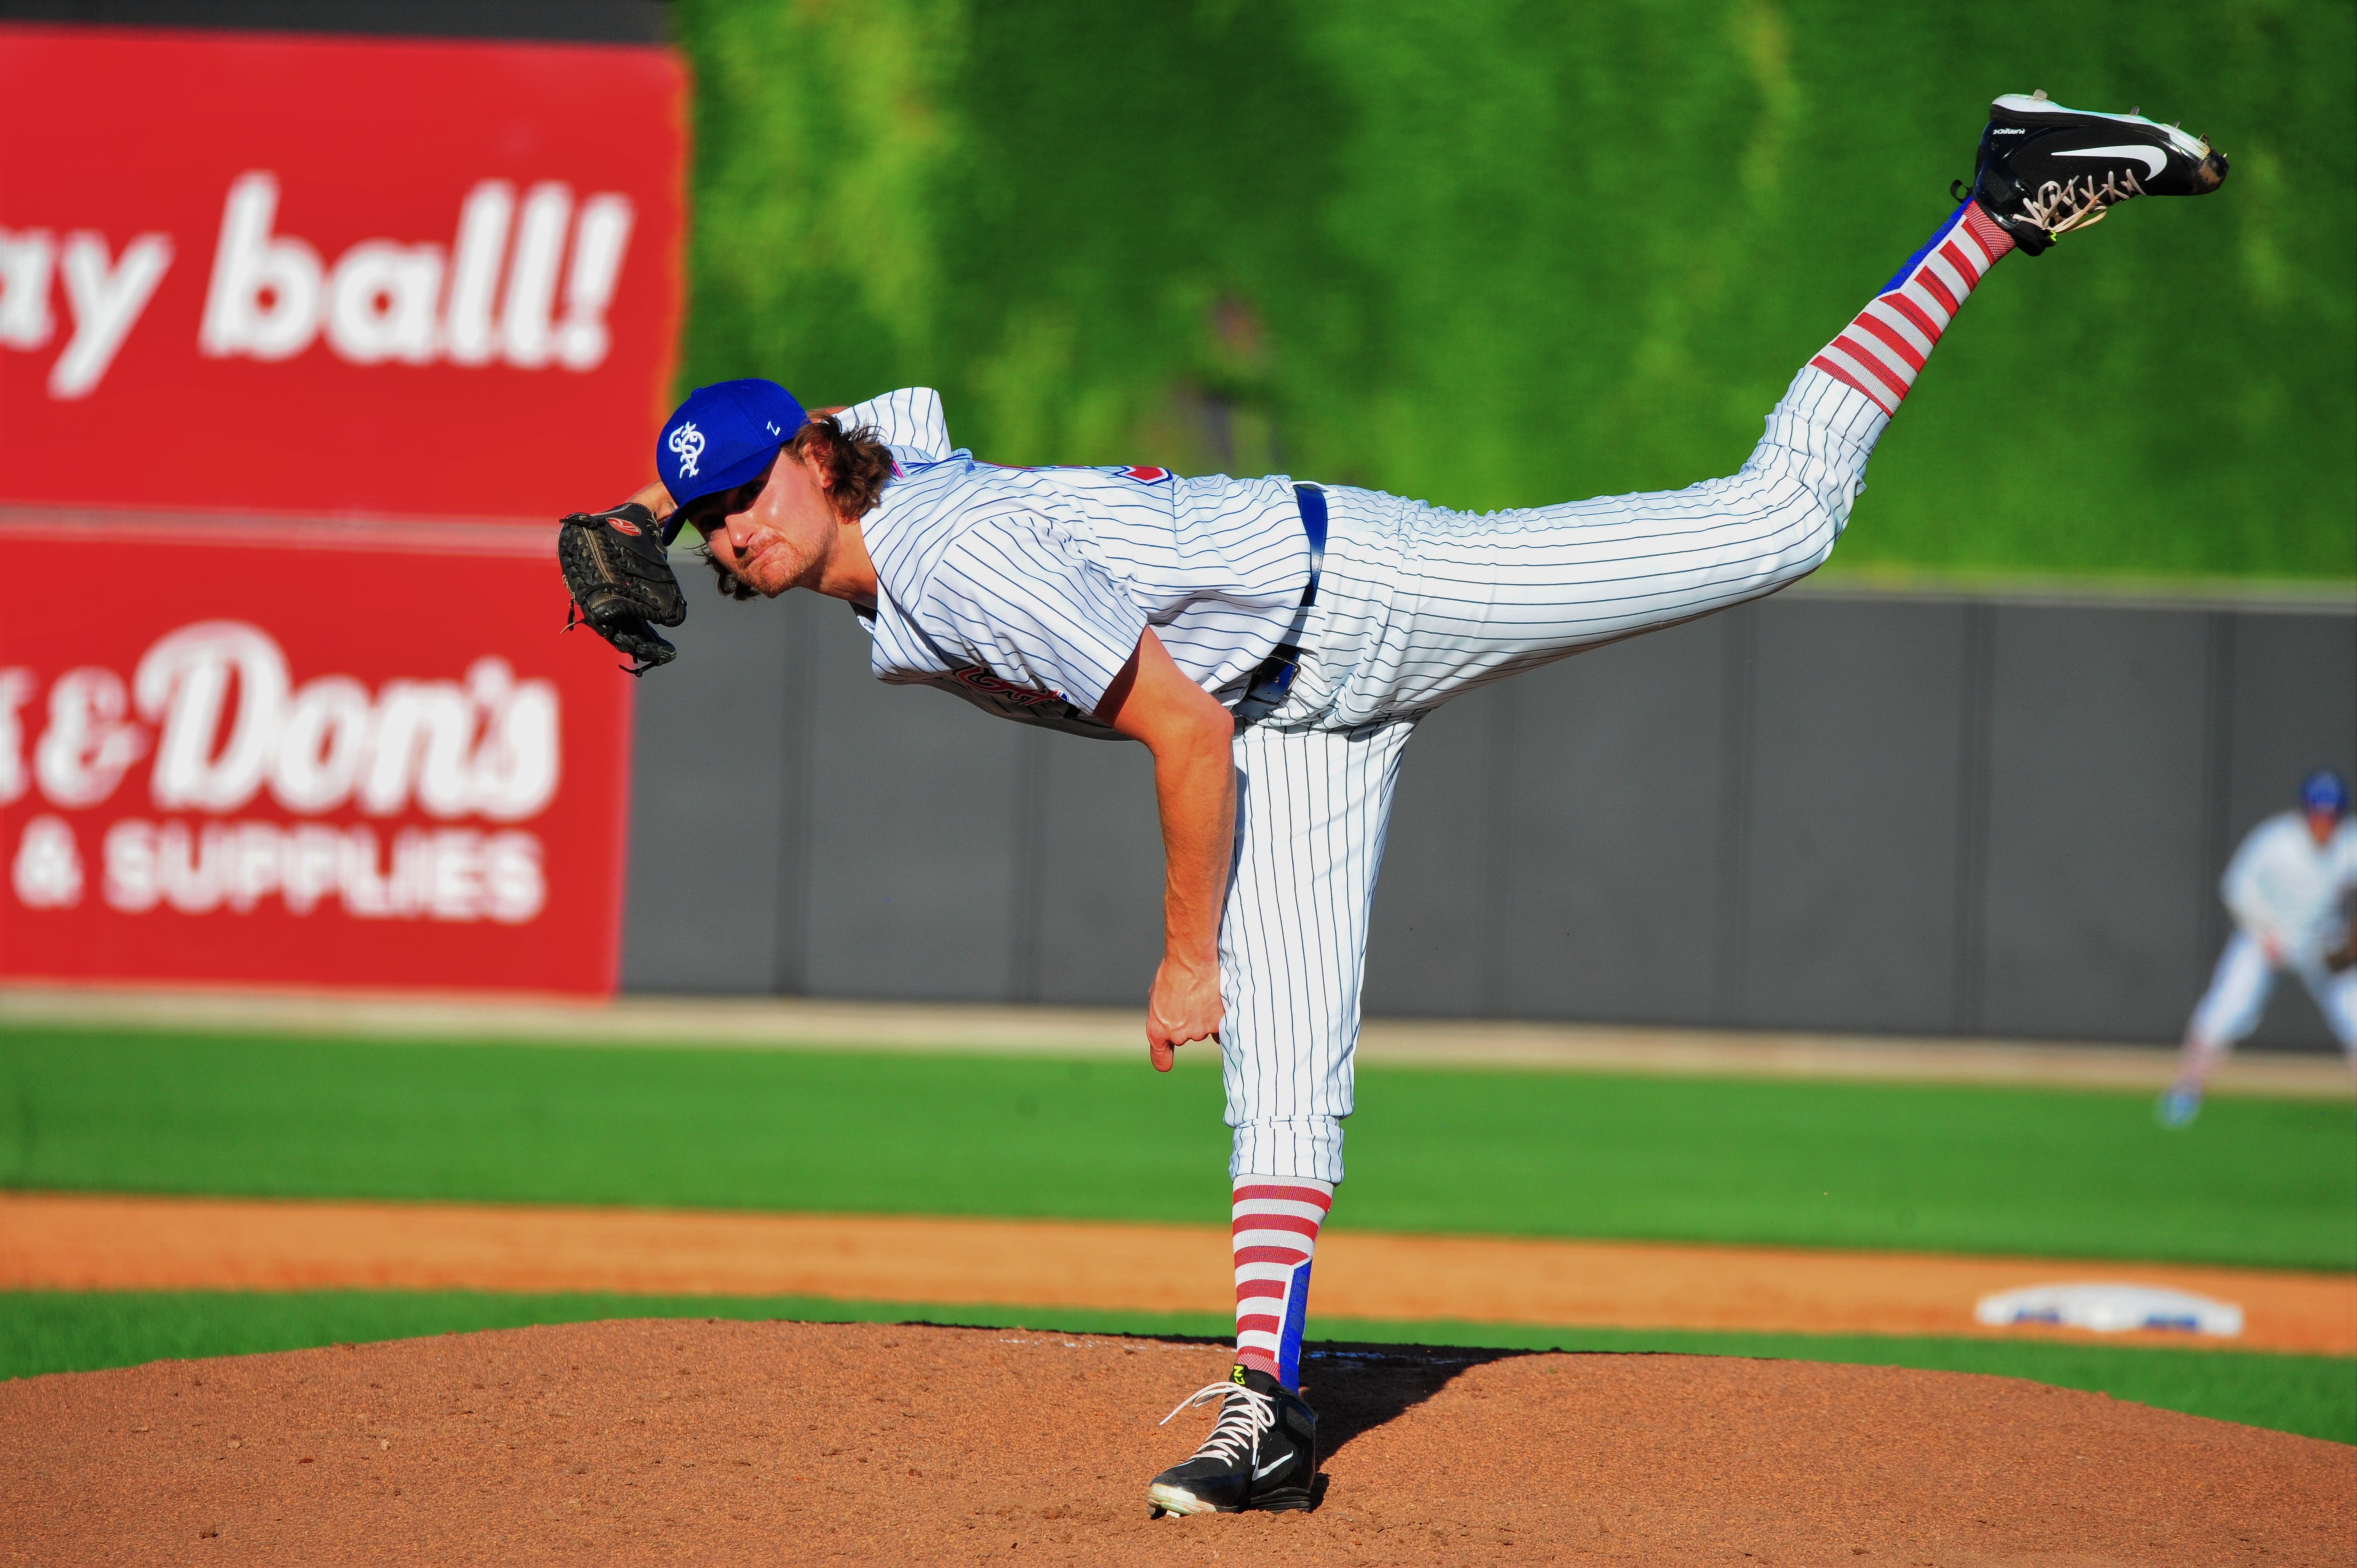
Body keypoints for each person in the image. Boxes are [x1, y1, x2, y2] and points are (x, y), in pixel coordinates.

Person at [564, 93, 2227, 1515]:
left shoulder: (950, 552)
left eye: (737, 496)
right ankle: (1267, 1412)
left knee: (1774, 518)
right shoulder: (872, 470)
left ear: (807, 461)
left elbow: (1180, 727)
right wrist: (645, 493)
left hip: (1363, 598)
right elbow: (865, 421)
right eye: (703, 523)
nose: (725, 538)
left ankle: (1990, 207)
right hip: (1295, 709)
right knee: (1282, 1077)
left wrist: (1178, 952)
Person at [2160, 770, 2357, 1127]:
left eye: (2331, 815)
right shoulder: (2276, 840)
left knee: (2354, 1012)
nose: (2324, 823)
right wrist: (2263, 931)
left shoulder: (2349, 844)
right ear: (2304, 812)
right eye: (2317, 813)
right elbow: (2235, 887)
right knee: (2225, 1008)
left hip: (2323, 942)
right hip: (2268, 936)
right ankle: (2186, 1089)